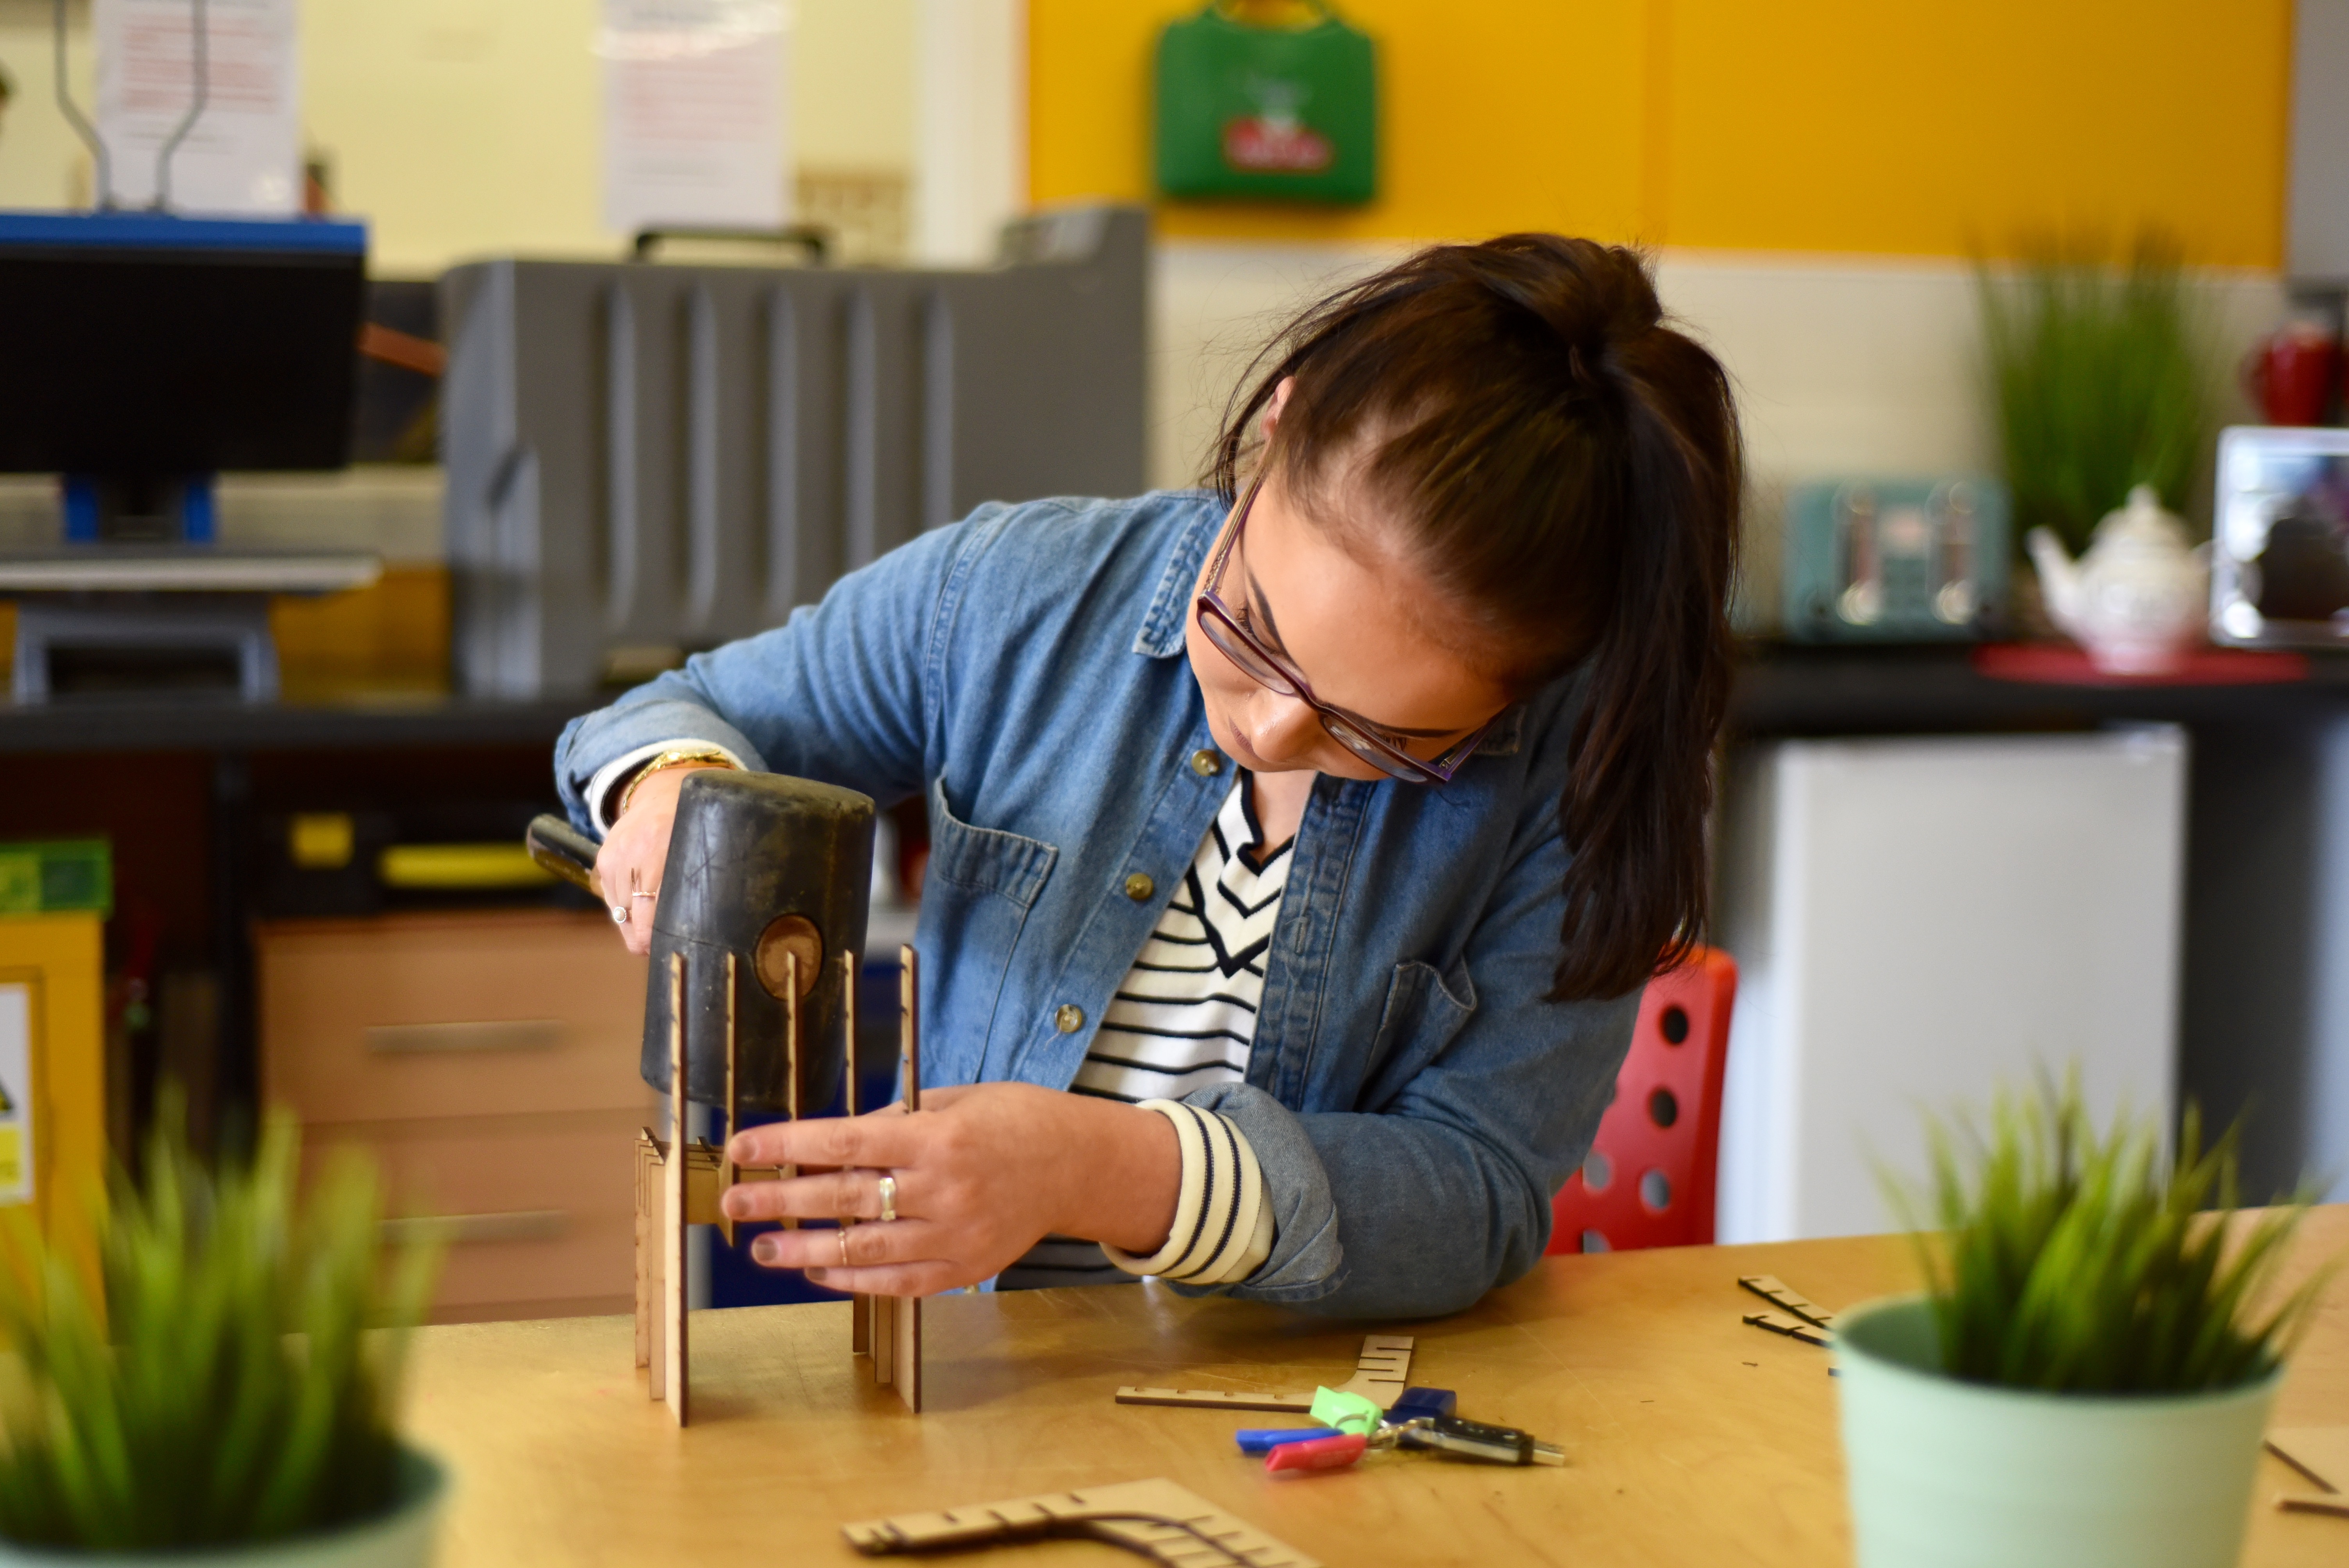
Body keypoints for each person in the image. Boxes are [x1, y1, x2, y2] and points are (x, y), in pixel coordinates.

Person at [557, 234, 1740, 1319]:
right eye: (1255, 629)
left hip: (1306, 1417)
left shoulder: (1584, 774)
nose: (1272, 732)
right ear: (1280, 422)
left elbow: (1479, 1192)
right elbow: (676, 711)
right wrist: (674, 788)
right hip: (982, 1385)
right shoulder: (1020, 595)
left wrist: (1093, 1168)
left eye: (1380, 739)